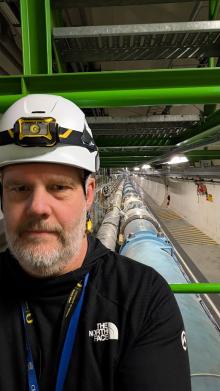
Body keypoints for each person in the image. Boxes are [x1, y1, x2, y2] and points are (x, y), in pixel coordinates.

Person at [0, 94, 191, 391]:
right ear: (3, 197)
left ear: (89, 194)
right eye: (20, 188)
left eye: (58, 187)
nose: (38, 207)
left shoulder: (142, 300)